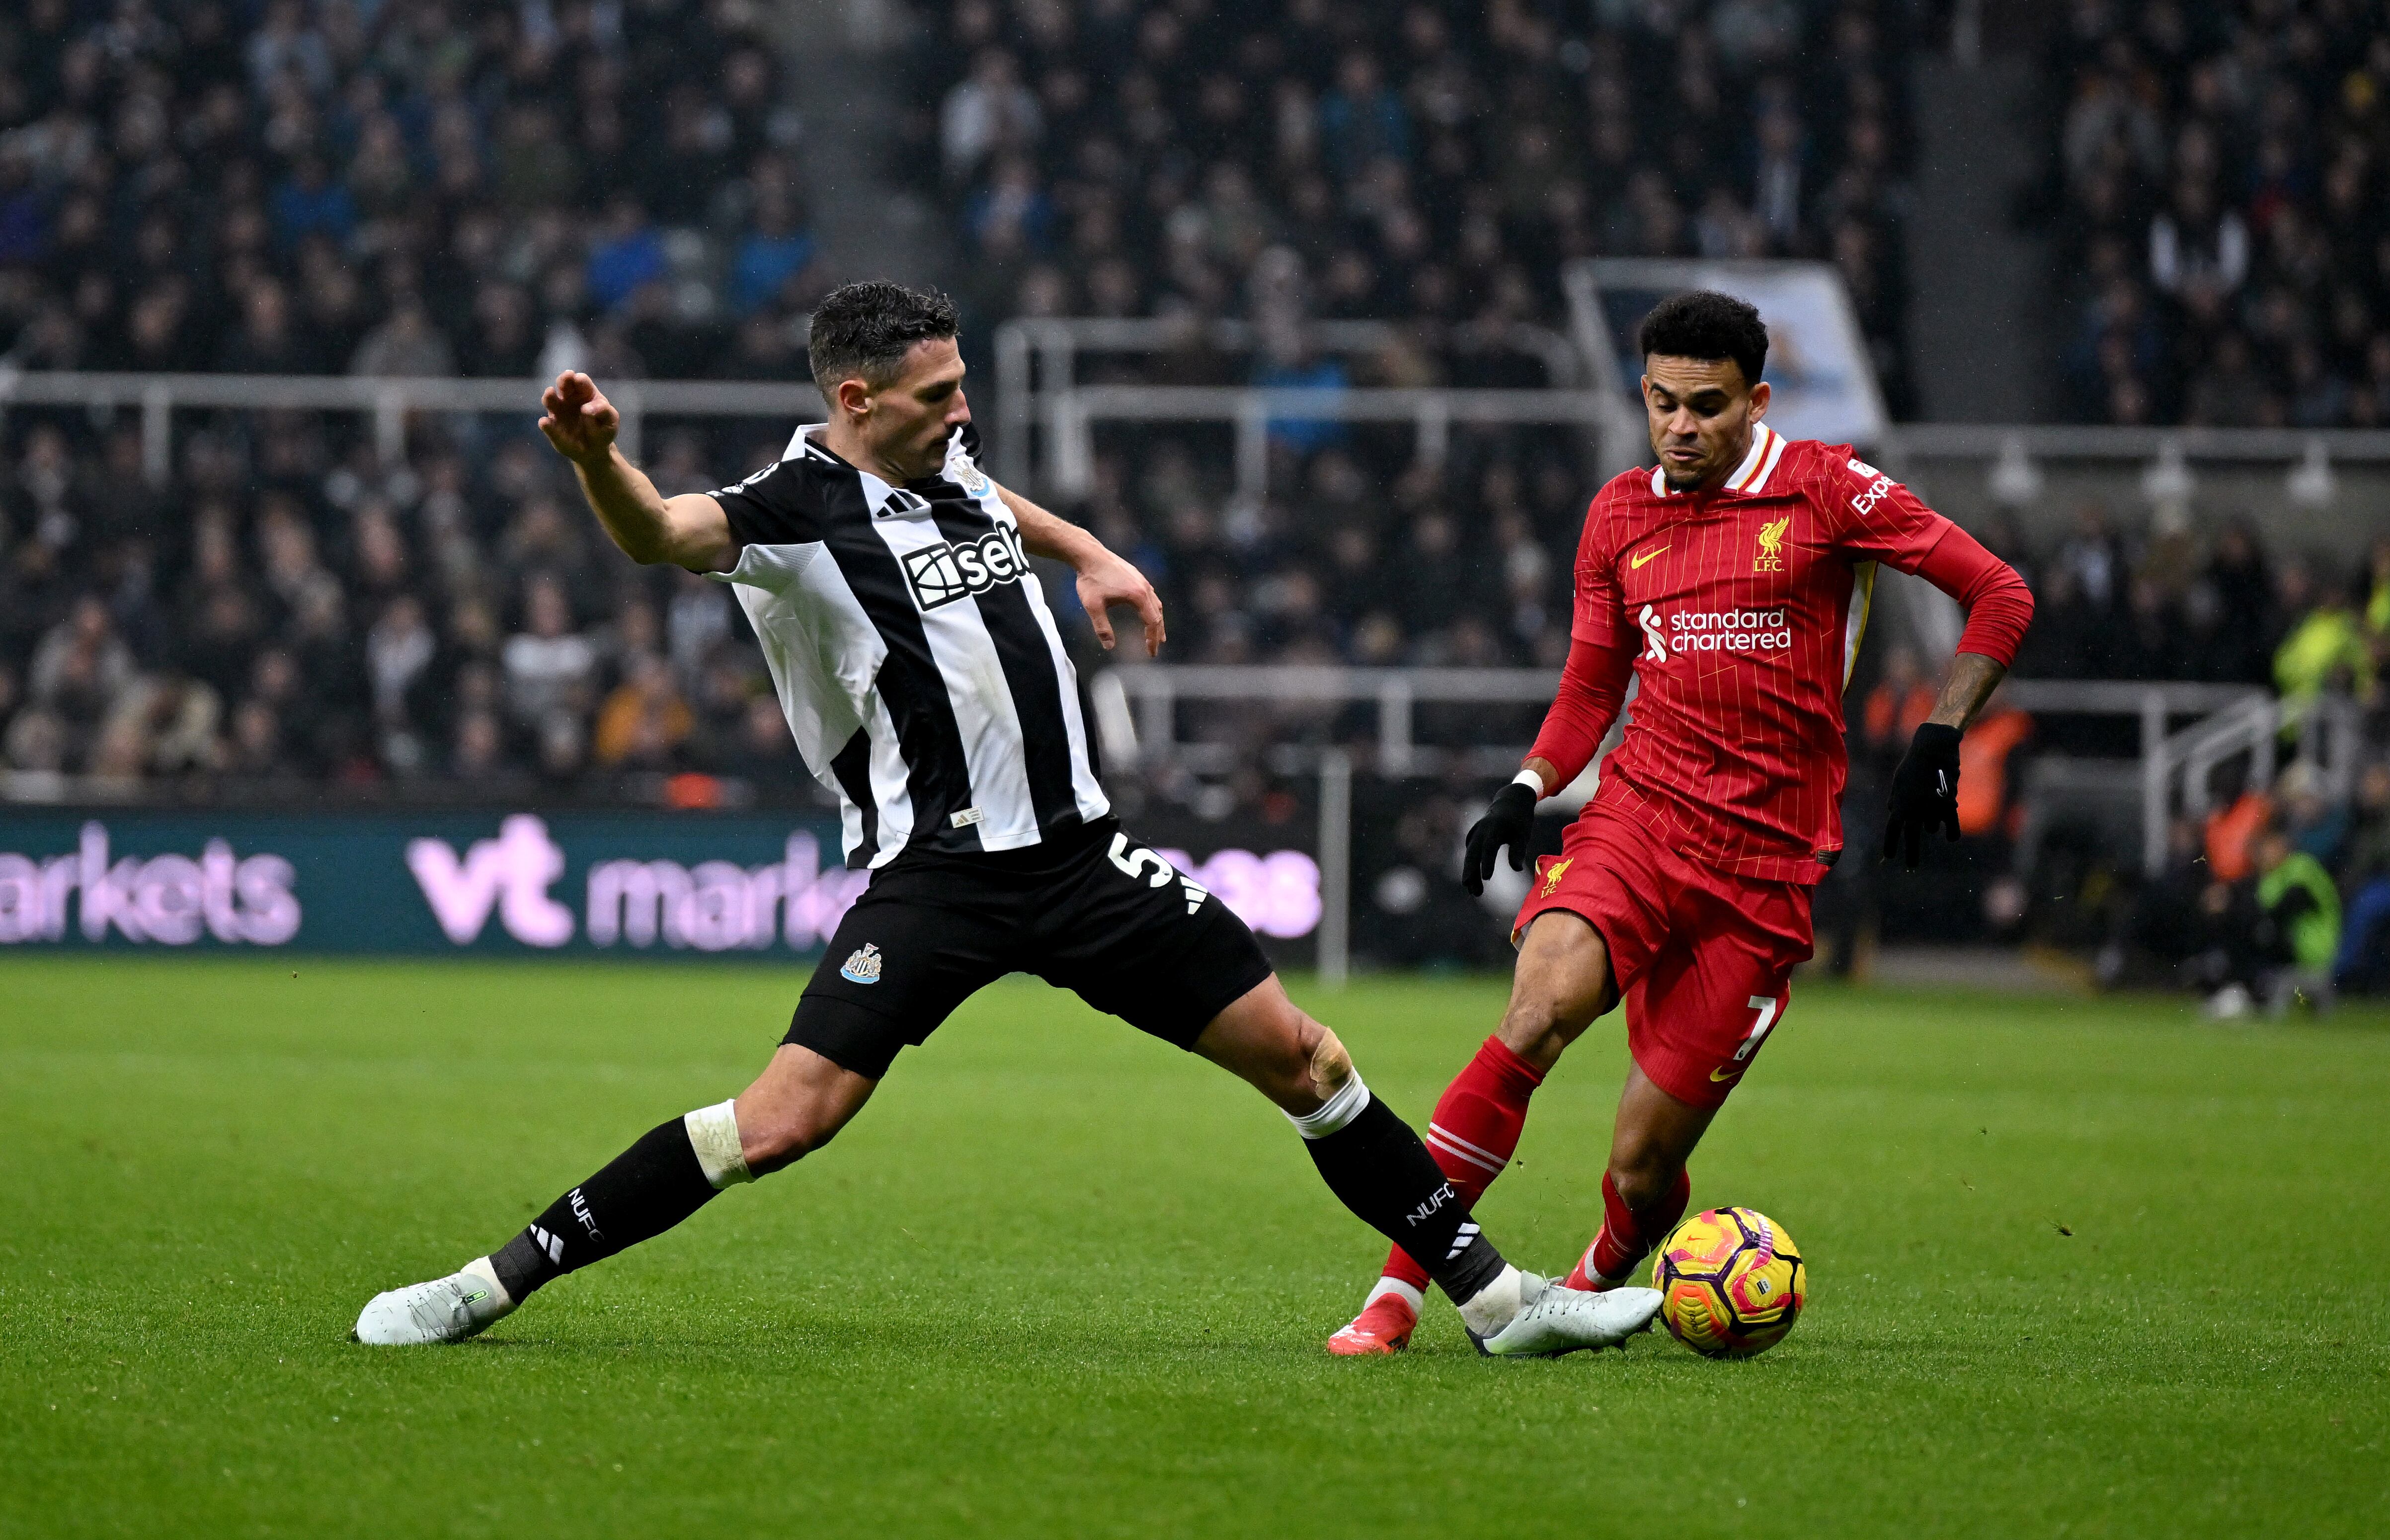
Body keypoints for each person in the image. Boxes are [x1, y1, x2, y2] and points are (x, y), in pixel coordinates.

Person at [354, 281, 1658, 1357]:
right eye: (937, 397)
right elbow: (659, 533)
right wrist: (599, 464)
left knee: (1309, 1061)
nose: (963, 411)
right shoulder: (794, 512)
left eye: (963, 386)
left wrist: (1089, 550)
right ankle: (484, 1285)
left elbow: (993, 495)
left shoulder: (947, 459)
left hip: (1086, 862)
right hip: (941, 878)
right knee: (784, 1119)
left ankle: (1499, 1303)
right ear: (855, 403)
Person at [1327, 291, 2034, 1353]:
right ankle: (1398, 1292)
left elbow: (1999, 593)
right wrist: (1529, 783)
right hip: (1637, 822)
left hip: (1765, 868)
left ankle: (1591, 1281)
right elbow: (1589, 683)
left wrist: (1941, 729)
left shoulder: (1828, 489)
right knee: (1534, 1014)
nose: (1680, 426)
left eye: (1706, 405)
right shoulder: (1618, 513)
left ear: (1755, 400)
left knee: (1641, 1165)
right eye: (1661, 402)